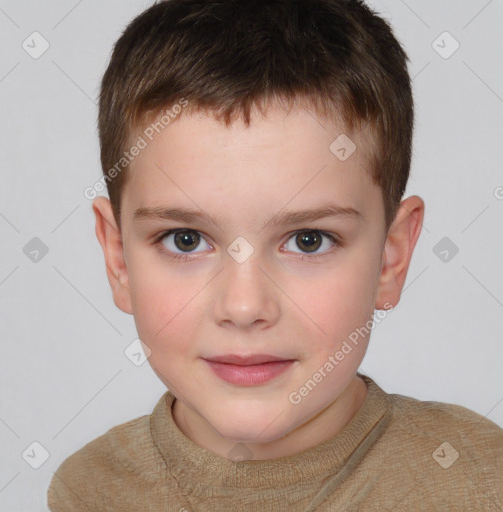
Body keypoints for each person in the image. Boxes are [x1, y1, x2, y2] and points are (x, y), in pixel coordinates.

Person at [47, 0, 503, 510]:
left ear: (390, 258)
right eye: (186, 239)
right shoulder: (89, 492)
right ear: (118, 258)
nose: (244, 307)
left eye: (309, 240)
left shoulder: (481, 480)